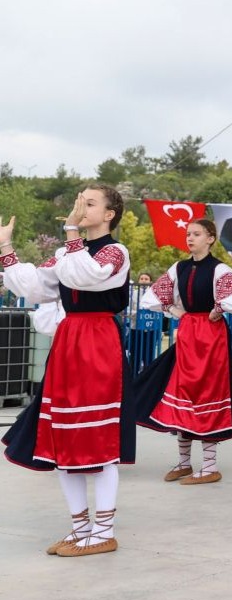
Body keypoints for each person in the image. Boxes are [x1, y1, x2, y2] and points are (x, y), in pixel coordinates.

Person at [0, 184, 135, 556]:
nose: (80, 208)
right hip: (69, 340)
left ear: (109, 214)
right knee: (62, 435)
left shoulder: (115, 252)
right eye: (79, 202)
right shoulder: (66, 252)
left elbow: (86, 276)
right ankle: (80, 529)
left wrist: (72, 232)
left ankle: (103, 532)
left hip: (98, 341)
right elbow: (35, 288)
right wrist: (6, 247)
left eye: (89, 203)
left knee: (99, 438)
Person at [134, 220, 232, 484]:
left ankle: (210, 467)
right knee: (183, 393)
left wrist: (219, 308)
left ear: (210, 238)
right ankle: (184, 462)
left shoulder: (219, 269)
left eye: (197, 234)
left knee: (206, 394)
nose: (190, 238)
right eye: (188, 234)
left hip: (211, 338)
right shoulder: (179, 267)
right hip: (188, 333)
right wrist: (172, 309)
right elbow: (152, 297)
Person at [128, 272, 161, 374]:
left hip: (151, 329)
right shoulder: (132, 294)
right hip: (136, 328)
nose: (143, 280)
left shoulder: (155, 295)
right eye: (141, 278)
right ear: (138, 280)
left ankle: (147, 377)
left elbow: (159, 309)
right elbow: (128, 310)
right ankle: (133, 377)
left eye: (146, 279)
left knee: (149, 356)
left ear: (151, 281)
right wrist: (139, 314)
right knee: (135, 355)